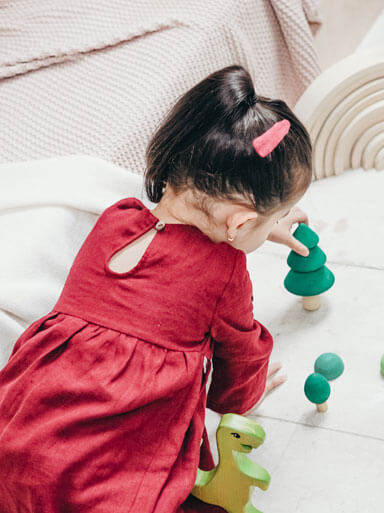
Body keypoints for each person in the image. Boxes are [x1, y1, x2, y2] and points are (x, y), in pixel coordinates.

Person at [0, 65, 313, 512]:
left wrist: (258, 224)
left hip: (20, 431)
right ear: (240, 222)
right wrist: (246, 398)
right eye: (268, 221)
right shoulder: (224, 271)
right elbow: (240, 359)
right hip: (95, 477)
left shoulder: (117, 219)